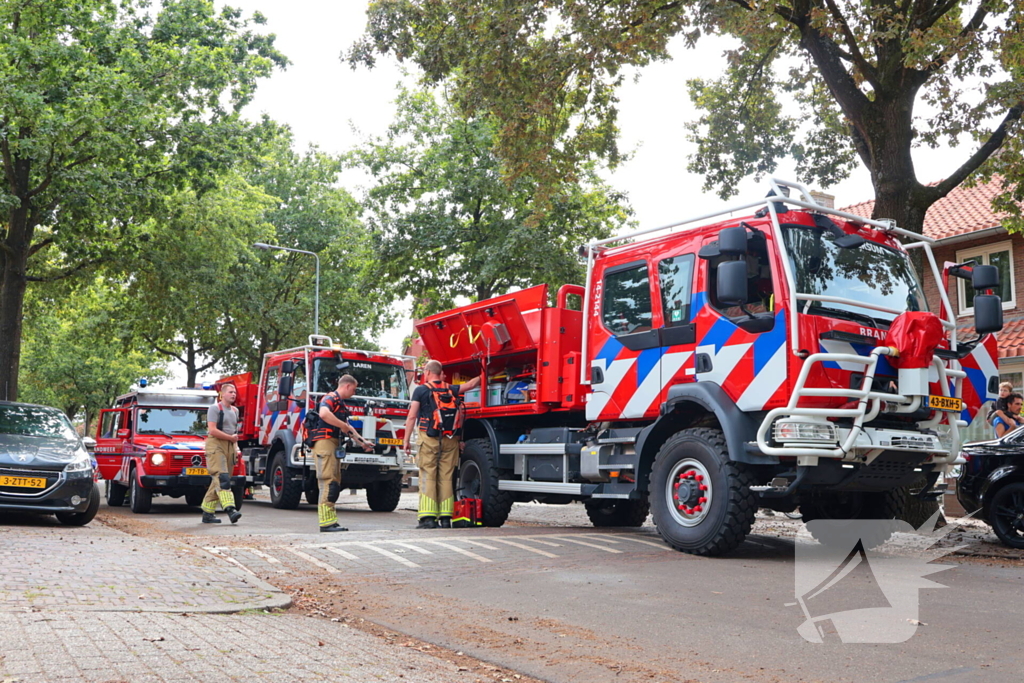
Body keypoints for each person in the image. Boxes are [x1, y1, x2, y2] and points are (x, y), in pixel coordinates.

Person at [402, 360, 481, 529]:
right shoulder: (451, 389)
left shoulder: (421, 390)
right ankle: (446, 518)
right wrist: (485, 374)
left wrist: (406, 440)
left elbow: (411, 417)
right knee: (446, 477)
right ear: (440, 372)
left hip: (428, 439)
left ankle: (428, 518)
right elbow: (470, 385)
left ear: (428, 372)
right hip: (450, 439)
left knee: (428, 475)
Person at [310, 374, 374, 532]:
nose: (354, 392)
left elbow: (348, 428)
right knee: (328, 482)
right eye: (354, 388)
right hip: (325, 443)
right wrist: (342, 426)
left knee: (334, 482)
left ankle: (330, 521)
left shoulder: (339, 403)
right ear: (347, 386)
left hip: (331, 443)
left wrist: (363, 443)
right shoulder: (330, 398)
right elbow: (324, 414)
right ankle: (326, 523)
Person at [201, 383, 242, 524]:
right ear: (222, 394)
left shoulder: (235, 411)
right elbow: (212, 430)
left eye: (234, 392)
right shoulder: (214, 408)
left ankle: (207, 512)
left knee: (218, 480)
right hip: (216, 444)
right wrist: (231, 438)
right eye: (230, 392)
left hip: (230, 445)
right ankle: (230, 509)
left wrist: (234, 446)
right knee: (222, 477)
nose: (233, 394)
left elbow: (234, 431)